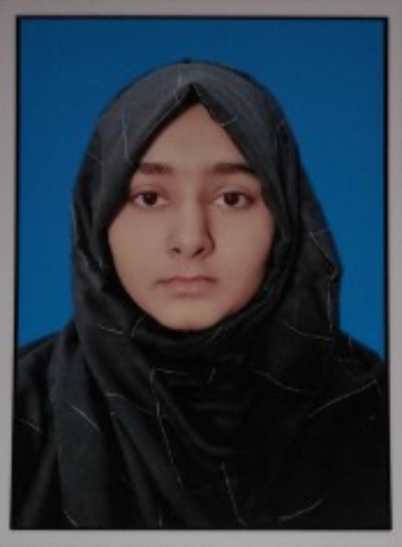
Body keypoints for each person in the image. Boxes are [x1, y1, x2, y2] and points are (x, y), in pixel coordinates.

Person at [12, 60, 390, 529]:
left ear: (286, 221)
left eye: (232, 198)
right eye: (149, 198)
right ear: (97, 216)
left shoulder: (377, 410)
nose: (191, 240)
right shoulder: (19, 410)